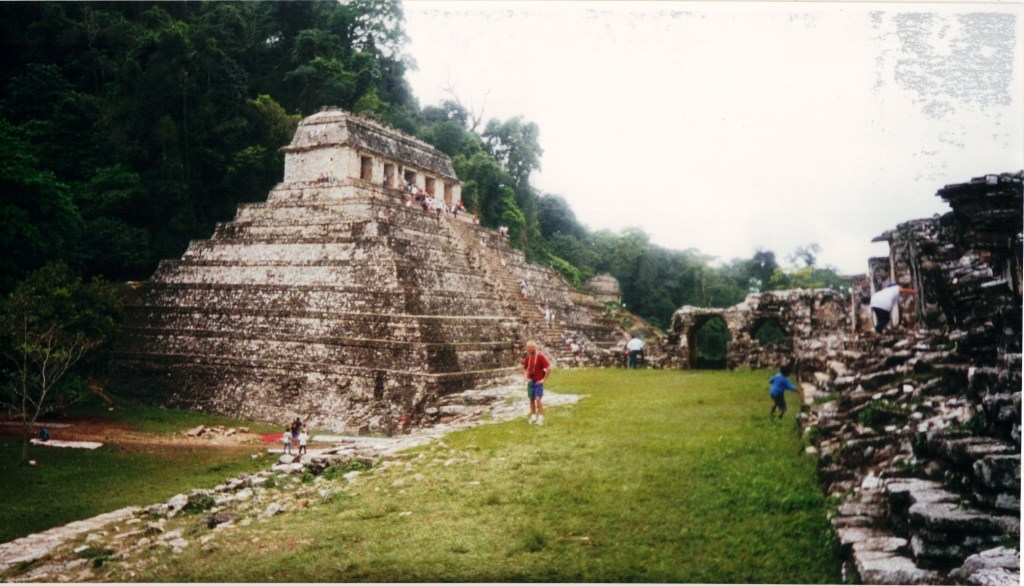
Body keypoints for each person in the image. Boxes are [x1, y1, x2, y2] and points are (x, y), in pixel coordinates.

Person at [522, 340, 550, 426]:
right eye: (529, 347)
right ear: (527, 349)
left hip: (538, 382)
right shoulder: (528, 358)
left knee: (538, 399)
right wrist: (525, 376)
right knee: (531, 399)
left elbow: (548, 368)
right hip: (531, 382)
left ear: (535, 347)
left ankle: (540, 416)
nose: (531, 349)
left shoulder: (540, 357)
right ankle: (533, 416)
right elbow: (524, 368)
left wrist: (543, 380)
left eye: (533, 347)